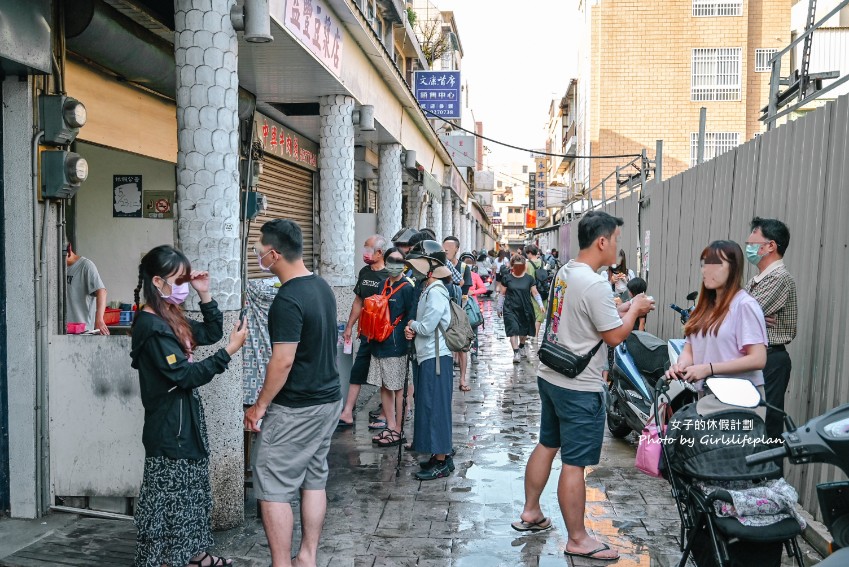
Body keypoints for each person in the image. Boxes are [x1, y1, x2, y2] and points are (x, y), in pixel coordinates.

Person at [514, 211, 654, 562]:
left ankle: (531, 512)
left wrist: (622, 305)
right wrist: (635, 308)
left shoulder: (567, 272)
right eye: (618, 240)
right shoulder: (595, 283)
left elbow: (589, 314)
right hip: (579, 386)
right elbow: (614, 335)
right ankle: (577, 538)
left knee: (548, 444)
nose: (619, 247)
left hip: (552, 375)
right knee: (574, 463)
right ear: (602, 241)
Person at [130, 245, 248, 567]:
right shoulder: (152, 328)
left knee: (191, 497)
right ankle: (163, 561)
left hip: (185, 425)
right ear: (157, 281)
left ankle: (195, 556)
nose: (183, 285)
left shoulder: (169, 316)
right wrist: (229, 353)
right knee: (169, 502)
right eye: (178, 279)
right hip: (170, 432)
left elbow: (209, 332)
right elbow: (185, 376)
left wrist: (205, 295)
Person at [244, 219, 342, 567]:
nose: (257, 255)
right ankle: (307, 557)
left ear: (274, 253)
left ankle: (282, 564)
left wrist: (259, 406)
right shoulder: (321, 287)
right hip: (329, 399)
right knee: (314, 479)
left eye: (258, 250)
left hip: (297, 407)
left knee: (272, 484)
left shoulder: (287, 299)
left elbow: (282, 361)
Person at [665, 240, 768, 420]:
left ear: (733, 269)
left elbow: (758, 358)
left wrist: (708, 369)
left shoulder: (745, 305)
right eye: (705, 264)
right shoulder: (702, 309)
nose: (707, 270)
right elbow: (689, 350)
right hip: (708, 398)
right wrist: (680, 366)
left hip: (740, 402)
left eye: (717, 264)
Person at [744, 217, 797, 442]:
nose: (749, 246)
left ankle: (771, 477)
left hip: (771, 359)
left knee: (767, 426)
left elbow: (739, 313)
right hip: (754, 357)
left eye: (753, 242)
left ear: (771, 246)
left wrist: (747, 315)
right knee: (750, 423)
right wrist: (751, 315)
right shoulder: (757, 280)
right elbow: (742, 312)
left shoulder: (779, 278)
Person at [404, 253, 454, 480]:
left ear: (430, 273)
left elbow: (427, 326)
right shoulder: (430, 290)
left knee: (437, 409)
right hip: (430, 356)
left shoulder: (435, 293)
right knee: (431, 406)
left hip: (436, 358)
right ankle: (439, 456)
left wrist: (412, 325)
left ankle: (442, 461)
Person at [367, 247, 416, 447]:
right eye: (391, 260)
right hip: (379, 341)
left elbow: (411, 316)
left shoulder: (407, 288)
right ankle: (389, 425)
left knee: (398, 389)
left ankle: (398, 429)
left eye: (399, 261)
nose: (394, 265)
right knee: (384, 386)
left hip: (397, 345)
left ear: (404, 265)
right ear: (385, 262)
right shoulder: (382, 284)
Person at [339, 235, 389, 427]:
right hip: (366, 334)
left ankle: (385, 413)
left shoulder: (389, 276)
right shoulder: (364, 272)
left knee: (385, 375)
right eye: (364, 249)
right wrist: (350, 326)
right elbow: (358, 301)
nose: (365, 253)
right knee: (357, 371)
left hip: (384, 335)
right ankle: (347, 412)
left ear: (380, 253)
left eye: (368, 249)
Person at [497, 255, 544, 364]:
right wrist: (499, 307)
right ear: (512, 266)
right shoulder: (507, 278)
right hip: (510, 308)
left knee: (523, 331)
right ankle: (516, 352)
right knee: (513, 329)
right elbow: (502, 294)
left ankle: (521, 345)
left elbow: (535, 293)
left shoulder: (529, 279)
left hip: (525, 308)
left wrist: (541, 304)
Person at [443, 236, 472, 391]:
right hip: (444, 311)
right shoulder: (441, 263)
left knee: (462, 346)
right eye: (444, 247)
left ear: (457, 249)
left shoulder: (463, 268)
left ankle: (462, 379)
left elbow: (465, 289)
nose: (446, 250)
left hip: (459, 310)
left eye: (449, 247)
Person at [65, 242, 109, 335]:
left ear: (68, 249)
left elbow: (101, 291)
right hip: (62, 332)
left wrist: (99, 319)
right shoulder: (57, 268)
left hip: (83, 333)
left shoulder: (85, 266)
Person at [461, 251, 487, 372]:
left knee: (474, 332)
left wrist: (473, 292)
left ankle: (474, 354)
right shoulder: (457, 274)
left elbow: (483, 288)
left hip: (472, 307)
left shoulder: (475, 276)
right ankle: (458, 357)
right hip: (459, 305)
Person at [524, 244, 547, 338]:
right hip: (543, 290)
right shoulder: (542, 262)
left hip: (532, 291)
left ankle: (534, 334)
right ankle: (536, 334)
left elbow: (525, 278)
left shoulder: (527, 264)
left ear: (529, 253)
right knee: (540, 313)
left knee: (534, 312)